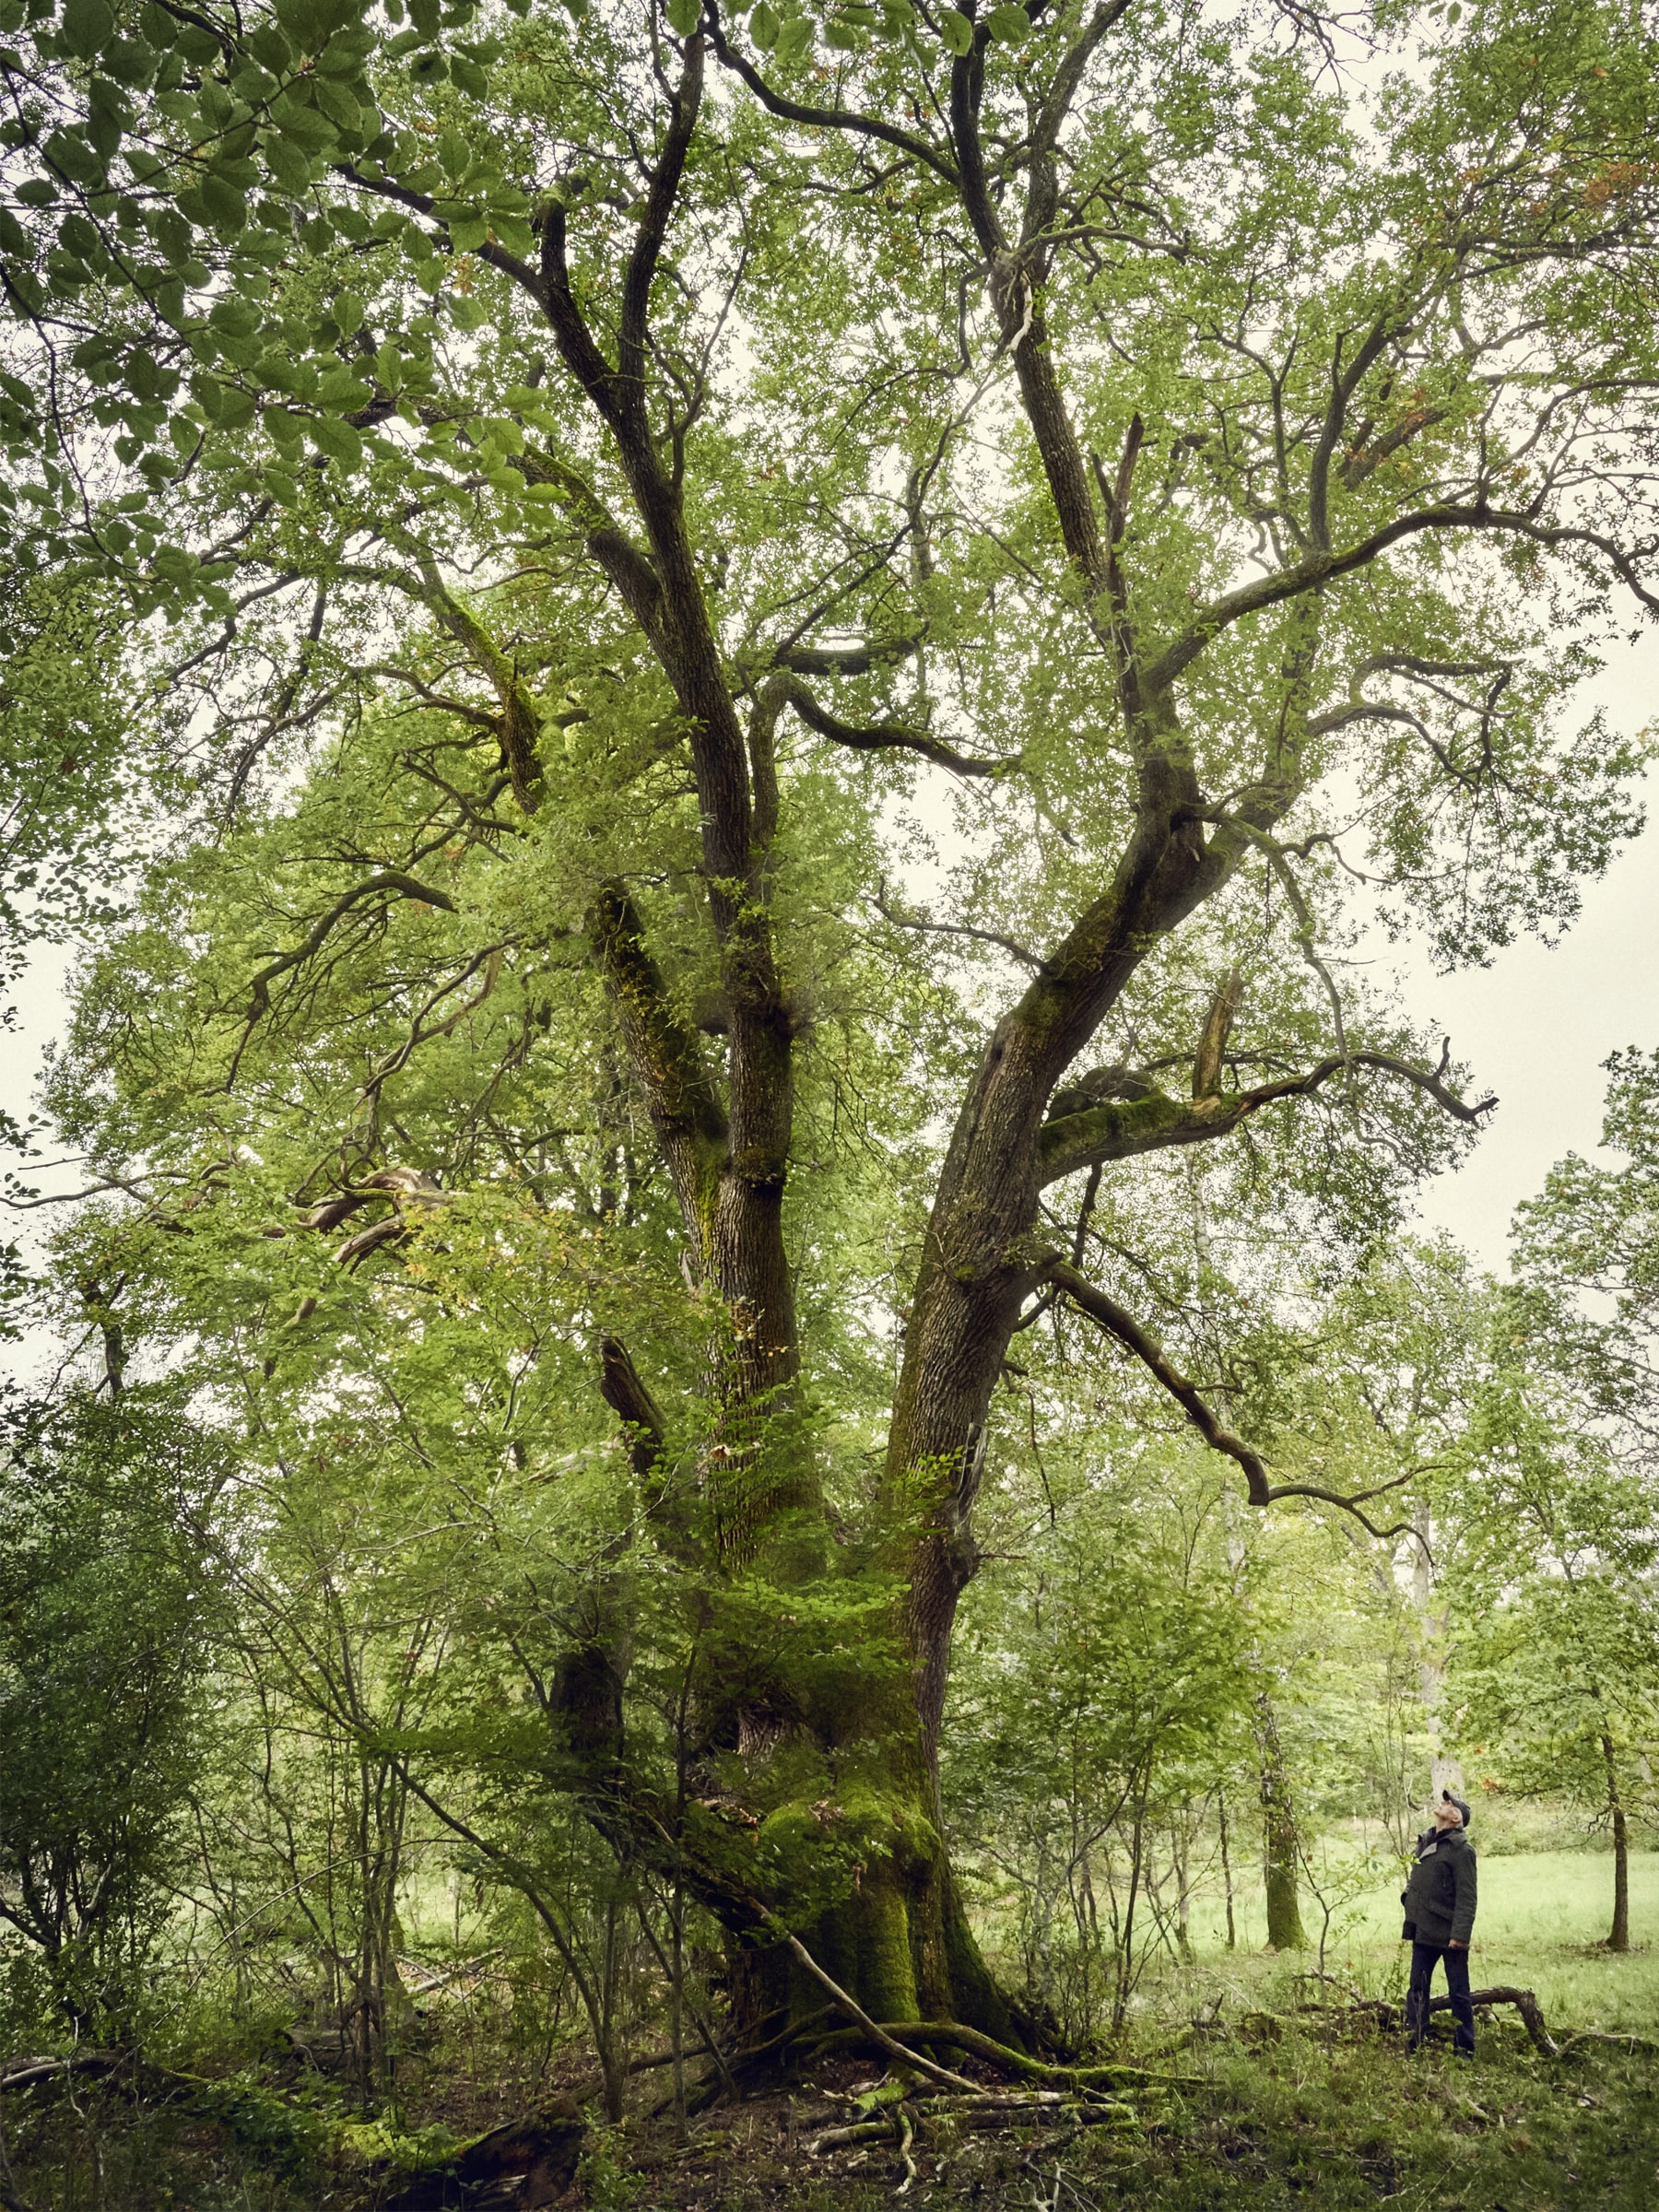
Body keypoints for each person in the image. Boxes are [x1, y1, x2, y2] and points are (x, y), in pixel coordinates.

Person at [1401, 1790, 1478, 2057]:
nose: (1443, 1804)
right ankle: (1416, 2043)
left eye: (1449, 1803)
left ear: (1456, 1817)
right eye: (1445, 1801)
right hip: (1424, 1929)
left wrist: (1460, 1935)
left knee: (1458, 1993)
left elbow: (1468, 1897)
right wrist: (1407, 1898)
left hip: (1449, 1934)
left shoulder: (1462, 1851)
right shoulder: (1426, 1840)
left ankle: (1465, 2050)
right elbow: (1418, 1880)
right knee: (1417, 1990)